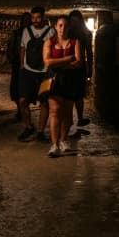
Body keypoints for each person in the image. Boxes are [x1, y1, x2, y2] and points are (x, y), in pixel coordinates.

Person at [43, 15, 82, 157]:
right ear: (55, 26)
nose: (62, 28)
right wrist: (67, 59)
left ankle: (63, 140)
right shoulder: (49, 42)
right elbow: (47, 62)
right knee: (55, 111)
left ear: (69, 27)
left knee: (67, 114)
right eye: (60, 25)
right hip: (54, 82)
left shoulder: (75, 42)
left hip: (70, 82)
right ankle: (54, 145)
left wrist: (58, 63)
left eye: (65, 25)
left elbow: (78, 63)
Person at [17, 6, 55, 142]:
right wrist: (22, 64)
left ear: (43, 17)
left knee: (44, 102)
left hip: (44, 73)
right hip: (28, 72)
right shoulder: (26, 31)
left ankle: (40, 131)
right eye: (33, 17)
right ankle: (28, 126)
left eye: (38, 17)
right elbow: (22, 48)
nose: (35, 20)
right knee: (22, 101)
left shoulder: (51, 32)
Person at [68, 10, 93, 127]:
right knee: (68, 94)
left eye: (76, 21)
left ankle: (80, 118)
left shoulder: (86, 33)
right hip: (67, 66)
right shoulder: (67, 32)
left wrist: (90, 67)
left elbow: (89, 51)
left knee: (78, 94)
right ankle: (69, 119)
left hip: (79, 67)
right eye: (72, 21)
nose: (74, 23)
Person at [7, 12, 31, 121]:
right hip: (18, 64)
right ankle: (20, 109)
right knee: (16, 88)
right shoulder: (16, 33)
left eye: (28, 20)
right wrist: (12, 59)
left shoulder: (33, 33)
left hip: (30, 65)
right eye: (24, 20)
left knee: (27, 89)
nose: (26, 22)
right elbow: (10, 47)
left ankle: (24, 110)